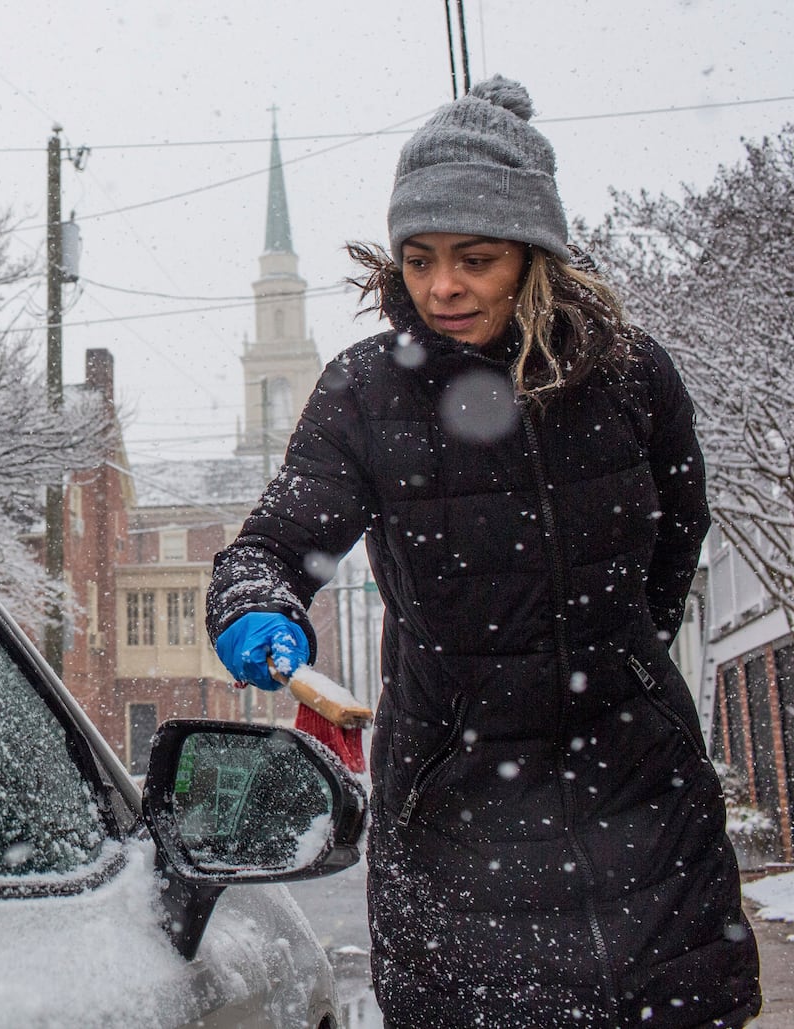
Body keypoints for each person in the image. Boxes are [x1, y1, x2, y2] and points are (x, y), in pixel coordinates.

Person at [206, 76, 761, 1028]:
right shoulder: (367, 393)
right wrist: (257, 603)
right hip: (456, 810)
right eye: (420, 260)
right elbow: (276, 541)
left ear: (534, 255)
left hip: (640, 795)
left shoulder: (632, 377)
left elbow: (676, 539)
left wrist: (614, 659)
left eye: (475, 258)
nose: (443, 287)